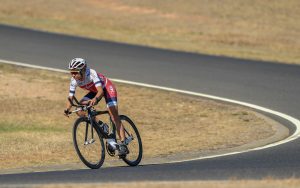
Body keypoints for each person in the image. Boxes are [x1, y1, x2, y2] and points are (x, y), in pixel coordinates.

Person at [64, 58, 128, 156]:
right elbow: (70, 97)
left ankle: (123, 144)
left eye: (75, 72)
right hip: (94, 91)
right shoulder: (73, 80)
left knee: (113, 114)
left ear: (82, 70)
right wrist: (67, 109)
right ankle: (102, 125)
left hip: (106, 88)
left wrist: (95, 100)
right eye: (71, 72)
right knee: (80, 109)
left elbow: (101, 92)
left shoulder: (91, 73)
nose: (73, 75)